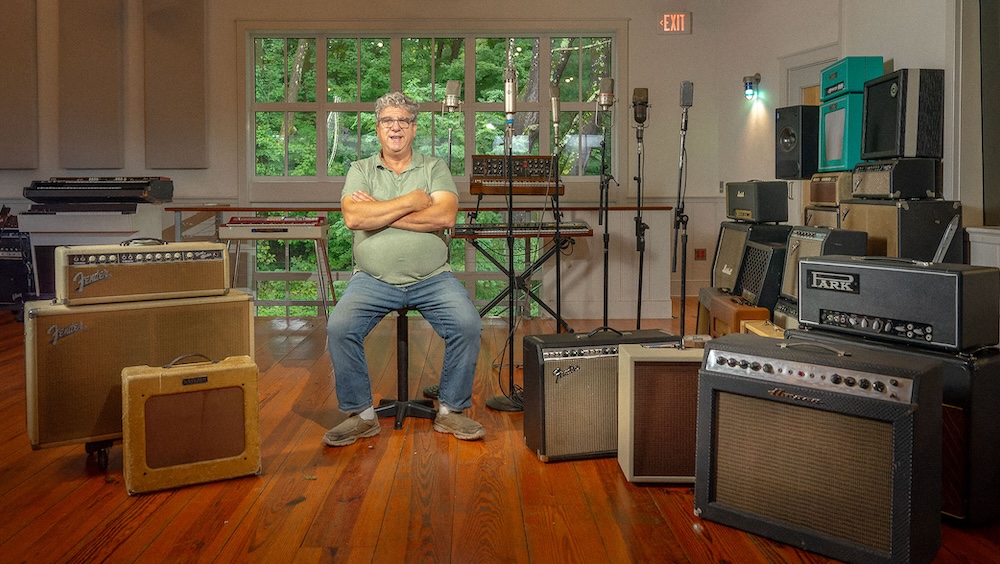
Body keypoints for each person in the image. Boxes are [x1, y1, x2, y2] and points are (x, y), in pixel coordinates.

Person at [324, 91, 485, 447]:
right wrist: (412, 202)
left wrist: (380, 212)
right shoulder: (360, 169)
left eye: (403, 121)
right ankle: (362, 416)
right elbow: (353, 217)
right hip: (372, 279)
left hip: (433, 278)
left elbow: (444, 216)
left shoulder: (434, 168)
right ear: (377, 128)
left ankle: (450, 411)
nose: (395, 128)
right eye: (387, 121)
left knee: (467, 324)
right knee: (339, 327)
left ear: (414, 128)